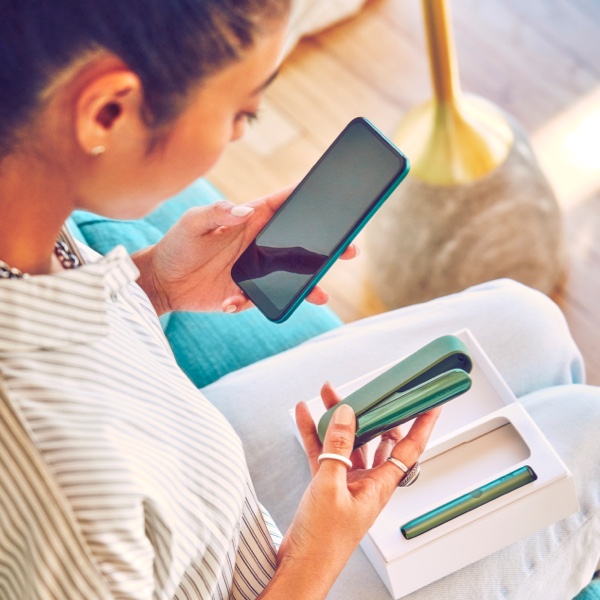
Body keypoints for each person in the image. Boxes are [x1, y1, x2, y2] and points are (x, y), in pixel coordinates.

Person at [0, 1, 598, 599]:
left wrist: (157, 283)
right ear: (107, 112)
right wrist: (322, 548)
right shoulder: (65, 497)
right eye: (245, 111)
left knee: (530, 321)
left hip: (195, 484)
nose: (237, 133)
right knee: (590, 432)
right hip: (267, 579)